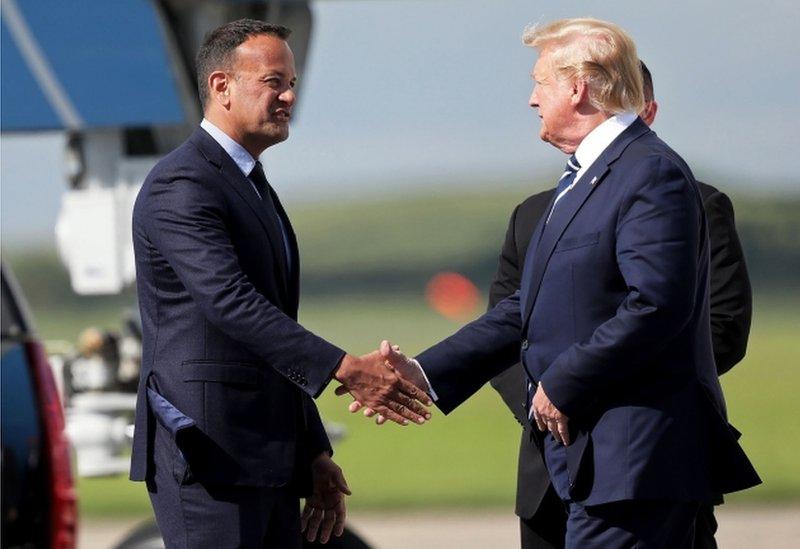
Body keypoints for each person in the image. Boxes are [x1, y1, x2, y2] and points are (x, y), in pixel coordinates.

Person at [351, 18, 760, 547]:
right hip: (591, 465)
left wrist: (564, 381)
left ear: (578, 87)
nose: (531, 99)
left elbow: (657, 305)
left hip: (636, 464)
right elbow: (526, 306)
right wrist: (424, 372)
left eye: (539, 82)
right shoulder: (581, 180)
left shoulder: (649, 171)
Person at [129, 19, 431, 548]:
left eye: (291, 83)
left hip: (264, 457)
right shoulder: (183, 183)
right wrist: (347, 369)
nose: (290, 95)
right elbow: (232, 305)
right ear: (221, 86)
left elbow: (271, 330)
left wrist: (312, 452)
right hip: (209, 455)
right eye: (274, 82)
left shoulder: (248, 182)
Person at [487, 60, 753, 549]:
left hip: (643, 454)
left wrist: (582, 385)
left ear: (646, 113)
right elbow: (509, 327)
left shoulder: (697, 201)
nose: (530, 101)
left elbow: (719, 328)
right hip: (546, 465)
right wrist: (543, 402)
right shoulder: (531, 216)